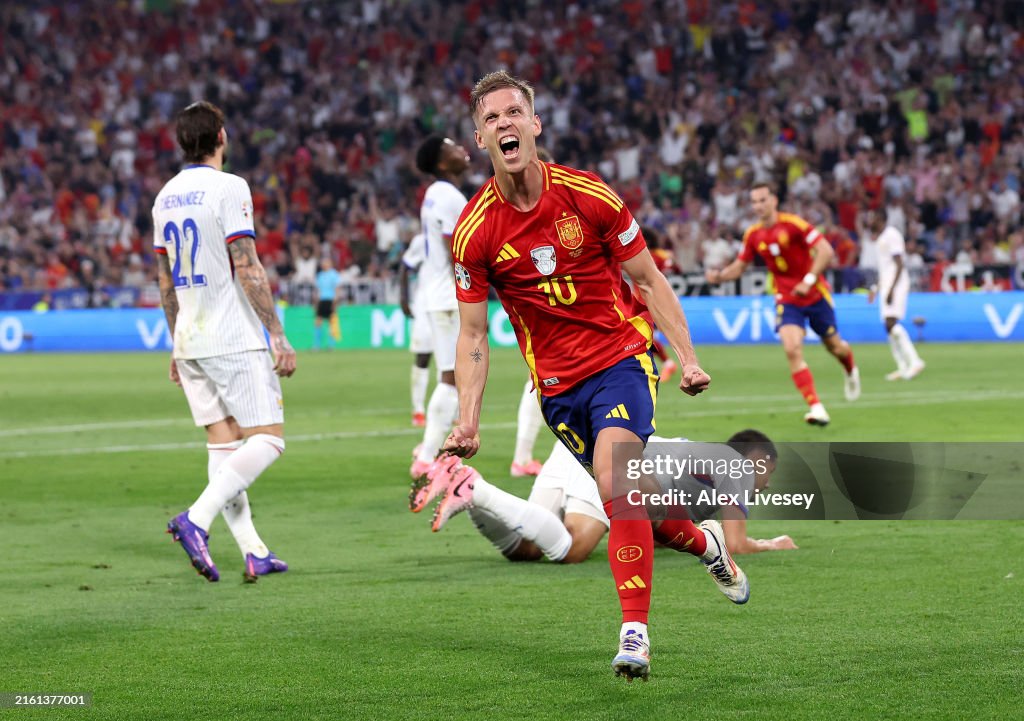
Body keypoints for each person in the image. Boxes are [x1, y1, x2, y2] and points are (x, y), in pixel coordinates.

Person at [437, 71, 740, 682]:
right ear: (479, 139)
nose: (505, 124)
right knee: (632, 502)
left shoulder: (588, 195)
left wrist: (687, 357)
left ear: (535, 124)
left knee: (616, 473)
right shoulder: (474, 231)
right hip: (557, 391)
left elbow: (648, 281)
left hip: (622, 360)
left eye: (514, 112)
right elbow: (472, 336)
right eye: (492, 118)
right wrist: (467, 420)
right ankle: (707, 544)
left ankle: (635, 635)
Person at [153, 101, 297, 582]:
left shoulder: (165, 197)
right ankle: (195, 519)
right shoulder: (230, 187)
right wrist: (277, 333)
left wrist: (176, 343)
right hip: (232, 336)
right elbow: (247, 264)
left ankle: (254, 551)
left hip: (192, 336)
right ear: (221, 136)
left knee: (223, 445)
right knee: (269, 441)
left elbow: (164, 281)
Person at [413, 429, 796, 563]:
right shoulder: (738, 469)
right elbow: (738, 546)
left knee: (524, 548)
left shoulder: (706, 469)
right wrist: (772, 544)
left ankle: (467, 487)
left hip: (578, 449)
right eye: (770, 472)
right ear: (759, 460)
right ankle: (473, 487)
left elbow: (659, 528)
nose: (766, 483)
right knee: (574, 548)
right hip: (613, 462)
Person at [705, 183, 860, 426]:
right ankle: (816, 407)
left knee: (835, 347)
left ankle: (850, 368)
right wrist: (719, 276)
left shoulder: (794, 224)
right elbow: (740, 266)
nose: (758, 206)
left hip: (815, 295)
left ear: (774, 200)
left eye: (763, 200)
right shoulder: (753, 234)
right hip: (787, 299)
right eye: (754, 202)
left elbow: (825, 251)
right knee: (791, 348)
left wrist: (808, 281)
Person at [409, 135, 471, 476]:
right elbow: (456, 250)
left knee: (450, 374)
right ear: (443, 163)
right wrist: (472, 292)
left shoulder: (434, 194)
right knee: (452, 376)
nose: (462, 149)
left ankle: (431, 446)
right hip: (449, 296)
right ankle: (428, 457)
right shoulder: (448, 196)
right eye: (453, 148)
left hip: (437, 294)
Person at [863, 211, 925, 380]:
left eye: (873, 217)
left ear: (881, 219)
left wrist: (891, 289)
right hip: (887, 284)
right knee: (887, 326)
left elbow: (899, 263)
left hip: (896, 284)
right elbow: (884, 268)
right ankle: (902, 366)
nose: (870, 221)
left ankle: (915, 361)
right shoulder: (880, 239)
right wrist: (875, 288)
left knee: (891, 323)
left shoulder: (892, 235)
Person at [399, 232, 433, 427]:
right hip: (425, 304)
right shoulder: (422, 240)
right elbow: (405, 266)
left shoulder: (465, 235)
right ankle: (418, 410)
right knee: (422, 357)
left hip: (453, 302)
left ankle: (454, 409)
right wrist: (403, 298)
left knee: (455, 360)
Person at [312, 255, 341, 350]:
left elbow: (337, 289)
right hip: (321, 300)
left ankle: (331, 345)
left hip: (330, 300)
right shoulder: (320, 275)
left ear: (330, 264)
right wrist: (316, 302)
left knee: (331, 323)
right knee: (318, 322)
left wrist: (335, 302)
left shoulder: (334, 274)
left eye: (326, 262)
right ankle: (317, 345)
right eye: (323, 263)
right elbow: (318, 290)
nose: (323, 264)